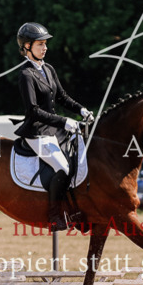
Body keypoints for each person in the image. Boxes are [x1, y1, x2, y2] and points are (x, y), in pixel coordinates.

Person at [13, 22, 93, 231]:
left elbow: (62, 97)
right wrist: (65, 121)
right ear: (27, 46)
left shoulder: (48, 69)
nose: (45, 47)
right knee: (63, 167)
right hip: (37, 132)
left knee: (79, 160)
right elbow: (33, 110)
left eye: (45, 43)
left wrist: (81, 109)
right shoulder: (26, 75)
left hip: (54, 130)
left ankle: (75, 211)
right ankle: (54, 215)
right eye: (40, 44)